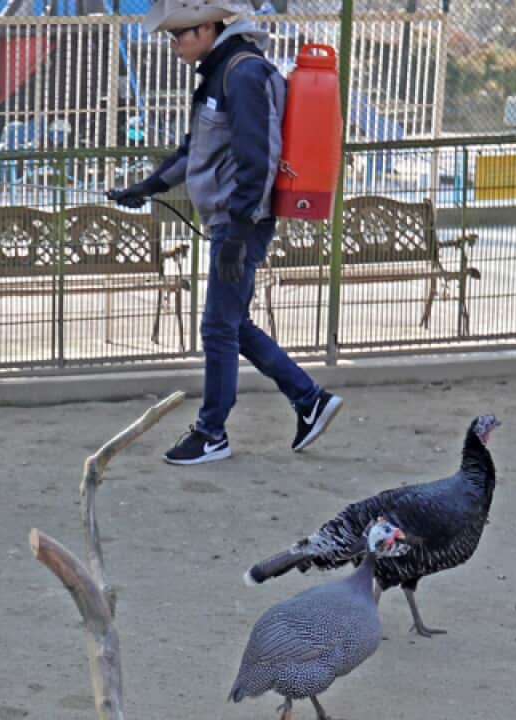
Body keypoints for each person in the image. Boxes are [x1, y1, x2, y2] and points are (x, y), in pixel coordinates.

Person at [108, 0, 342, 465]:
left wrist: (236, 232)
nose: (175, 44)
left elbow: (258, 159)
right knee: (233, 323)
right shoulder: (220, 72)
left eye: (181, 35)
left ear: (210, 27)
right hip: (232, 220)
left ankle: (212, 432)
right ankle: (309, 398)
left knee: (218, 327)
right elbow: (195, 149)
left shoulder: (242, 74)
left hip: (241, 222)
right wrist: (146, 188)